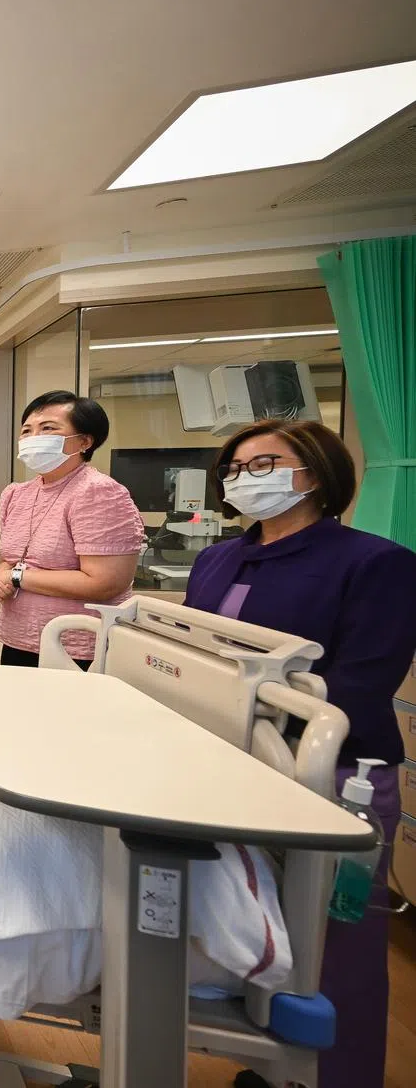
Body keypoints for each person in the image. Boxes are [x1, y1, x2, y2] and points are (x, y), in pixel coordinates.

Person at [183, 418, 416, 1088]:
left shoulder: (375, 564)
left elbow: (360, 686)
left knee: (337, 947)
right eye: (235, 468)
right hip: (231, 763)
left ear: (315, 473)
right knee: (252, 920)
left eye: (264, 465)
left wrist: (259, 716)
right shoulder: (219, 559)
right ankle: (269, 1063)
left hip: (334, 775)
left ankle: (337, 1076)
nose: (243, 478)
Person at [0, 391, 143, 668]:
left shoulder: (98, 492)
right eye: (27, 431)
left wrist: (15, 577)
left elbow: (104, 582)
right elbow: (13, 557)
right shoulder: (17, 494)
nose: (33, 438)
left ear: (84, 441)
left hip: (76, 647)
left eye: (47, 429)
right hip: (19, 639)